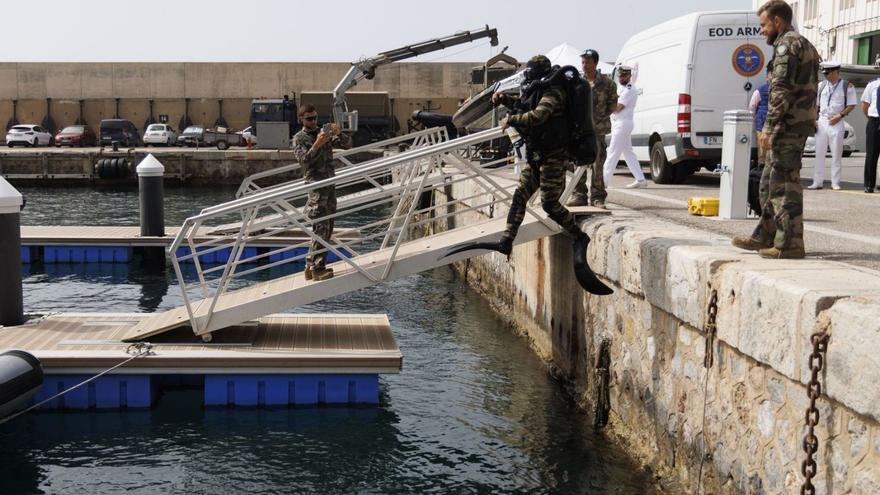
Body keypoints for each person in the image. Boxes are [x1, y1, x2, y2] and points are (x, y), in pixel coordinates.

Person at [732, 0, 819, 259]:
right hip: (793, 124)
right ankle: (765, 235)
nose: (761, 31)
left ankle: (789, 244)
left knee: (783, 185)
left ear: (777, 22)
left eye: (763, 25)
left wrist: (767, 128)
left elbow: (779, 90)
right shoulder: (804, 44)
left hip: (787, 127)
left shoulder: (786, 45)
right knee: (768, 182)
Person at [492, 54, 588, 254]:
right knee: (520, 196)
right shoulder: (539, 89)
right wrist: (504, 99)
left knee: (550, 204)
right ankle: (506, 241)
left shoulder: (554, 91)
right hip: (536, 155)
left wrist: (512, 120)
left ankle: (579, 235)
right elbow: (524, 105)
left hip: (553, 156)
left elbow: (539, 115)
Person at [291, 104, 352, 281]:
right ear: (301, 119)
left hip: (329, 185)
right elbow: (304, 160)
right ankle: (317, 268)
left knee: (327, 226)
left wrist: (338, 132)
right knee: (320, 227)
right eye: (309, 118)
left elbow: (347, 145)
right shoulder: (299, 138)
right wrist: (317, 144)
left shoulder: (322, 133)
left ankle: (311, 266)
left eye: (315, 118)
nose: (314, 121)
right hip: (316, 187)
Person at [567, 49, 618, 209]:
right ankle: (579, 195)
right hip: (579, 131)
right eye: (583, 62)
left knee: (598, 164)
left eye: (588, 62)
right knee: (578, 162)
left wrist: (599, 118)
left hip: (598, 130)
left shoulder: (608, 83)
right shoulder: (575, 82)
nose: (584, 65)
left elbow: (613, 105)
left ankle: (597, 197)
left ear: (595, 63)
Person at [808, 62, 856, 190]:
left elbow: (851, 105)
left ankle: (835, 182)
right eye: (825, 73)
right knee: (819, 153)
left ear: (836, 72)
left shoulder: (847, 86)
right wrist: (814, 119)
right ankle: (817, 181)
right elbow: (816, 105)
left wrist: (840, 116)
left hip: (837, 121)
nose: (826, 76)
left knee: (836, 153)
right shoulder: (821, 85)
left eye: (828, 73)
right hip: (822, 121)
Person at [601, 65, 647, 189]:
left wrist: (604, 106)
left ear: (629, 76)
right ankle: (641, 179)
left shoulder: (629, 89)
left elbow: (617, 107)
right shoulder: (624, 88)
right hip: (621, 123)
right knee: (628, 153)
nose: (621, 78)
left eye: (624, 76)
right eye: (620, 76)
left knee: (613, 152)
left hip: (623, 123)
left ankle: (603, 181)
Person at [861, 73, 880, 193]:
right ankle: (869, 184)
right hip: (875, 121)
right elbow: (865, 105)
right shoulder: (872, 84)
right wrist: (871, 119)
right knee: (872, 154)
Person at [748, 70, 771, 169]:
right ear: (767, 74)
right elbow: (752, 106)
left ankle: (764, 165)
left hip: (766, 121)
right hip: (762, 121)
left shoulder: (761, 89)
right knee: (763, 146)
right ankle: (762, 165)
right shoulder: (761, 90)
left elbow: (752, 107)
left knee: (765, 146)